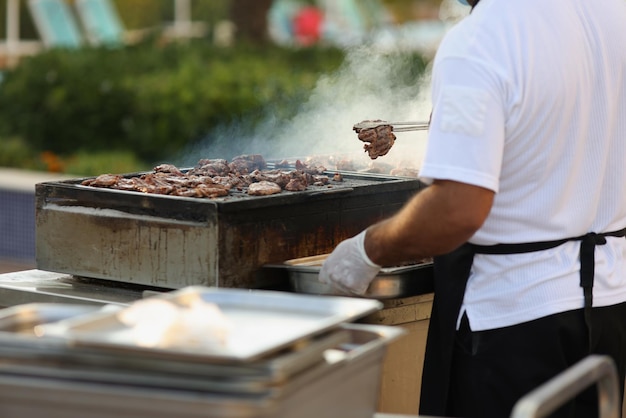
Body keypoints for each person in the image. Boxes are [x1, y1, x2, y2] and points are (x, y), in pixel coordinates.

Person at [318, 0, 626, 416]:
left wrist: (364, 252)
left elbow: (456, 210)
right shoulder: (613, 13)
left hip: (512, 323)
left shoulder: (483, 36)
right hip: (611, 309)